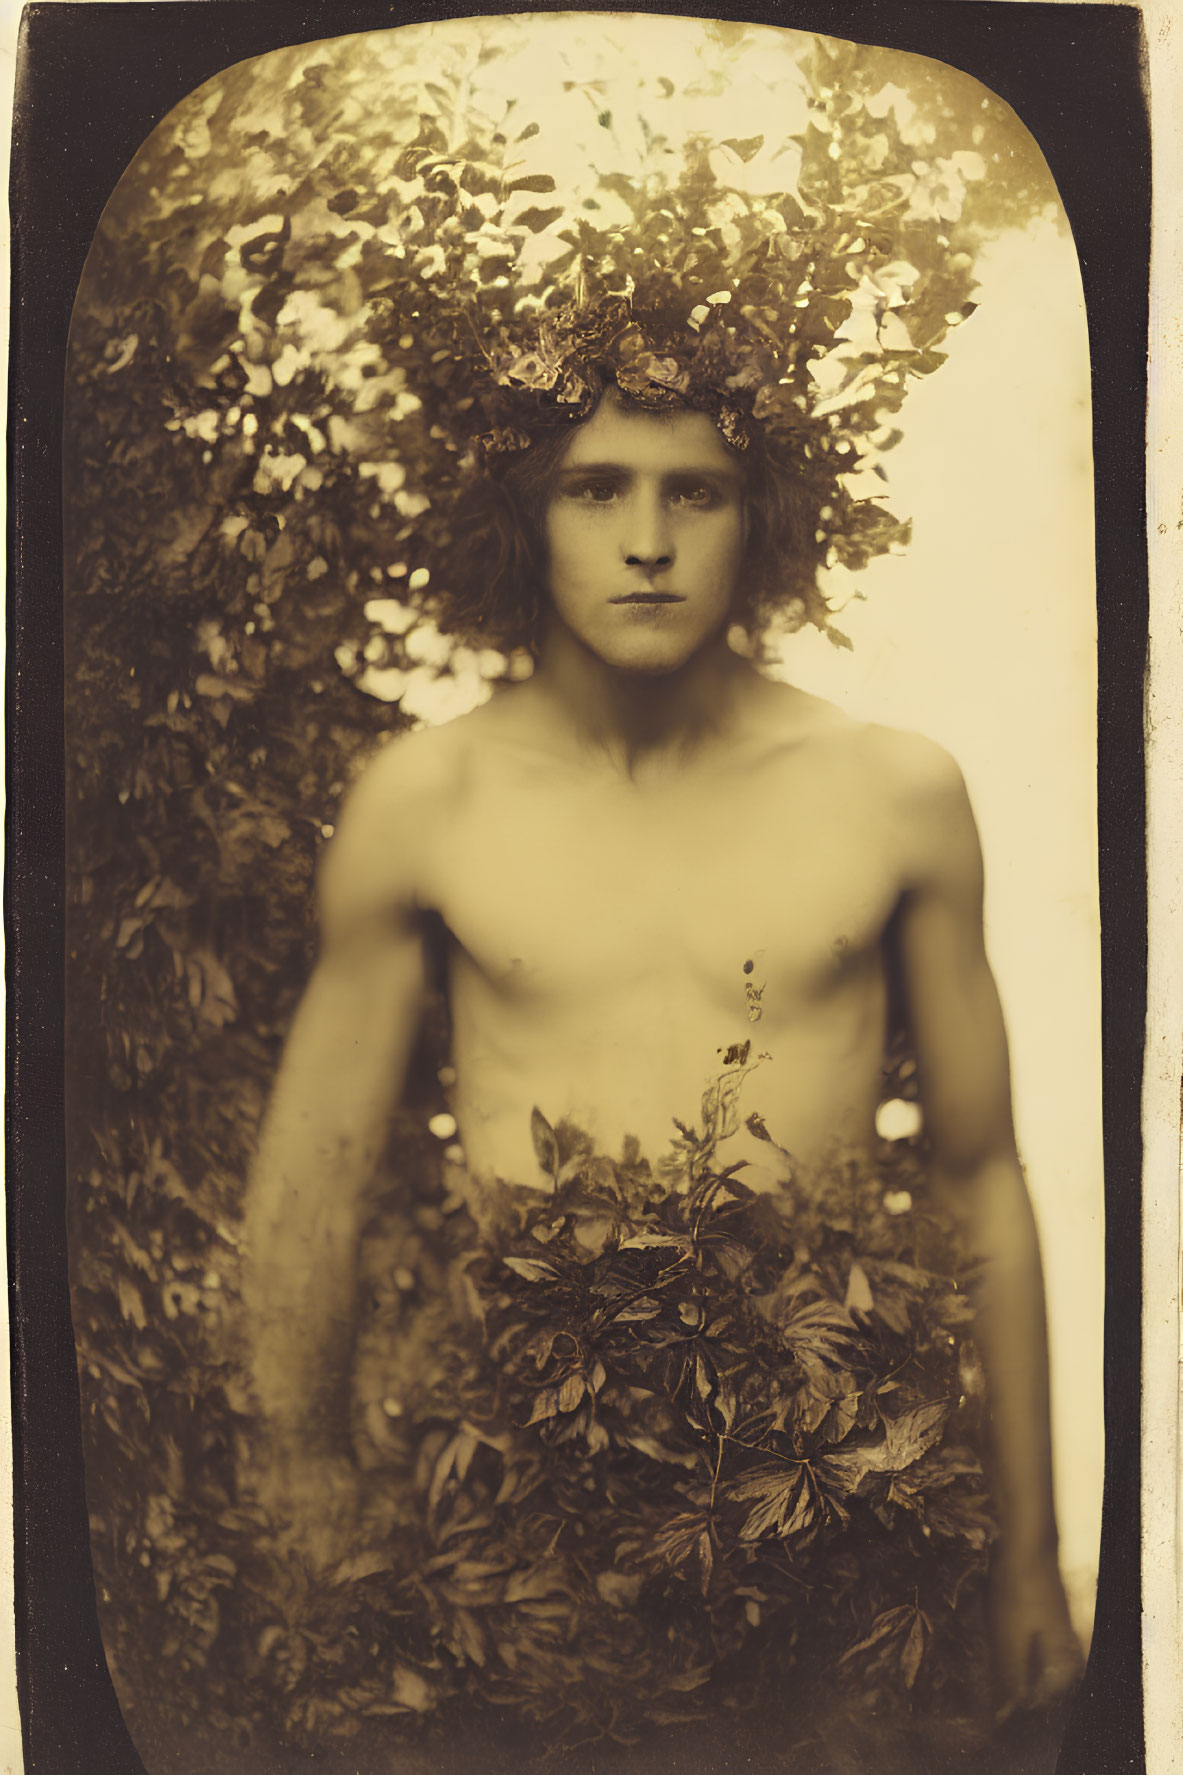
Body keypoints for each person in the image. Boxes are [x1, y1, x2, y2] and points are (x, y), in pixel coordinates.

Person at [241, 369, 1082, 1751]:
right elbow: (308, 1186)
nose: (649, 539)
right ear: (528, 514)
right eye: (596, 488)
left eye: (696, 489)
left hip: (830, 1506)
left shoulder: (894, 794)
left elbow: (982, 1177)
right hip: (512, 1517)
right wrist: (301, 1482)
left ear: (762, 518)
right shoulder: (428, 802)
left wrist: (1030, 1551)